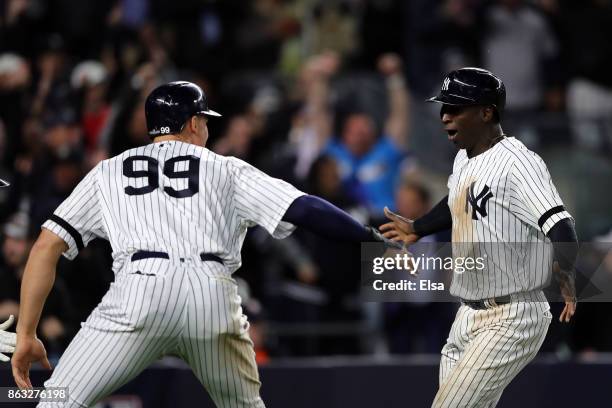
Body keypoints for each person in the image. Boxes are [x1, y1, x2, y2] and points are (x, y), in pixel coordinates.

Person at [9, 80, 399, 407]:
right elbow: (304, 207)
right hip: (209, 294)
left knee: (57, 402)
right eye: (205, 121)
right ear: (193, 123)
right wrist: (366, 235)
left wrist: (26, 333)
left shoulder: (108, 171)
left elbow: (46, 245)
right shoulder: (224, 166)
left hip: (138, 292)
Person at [380, 67, 578, 407]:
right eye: (444, 108)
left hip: (512, 314)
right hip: (467, 315)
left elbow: (562, 227)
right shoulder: (464, 159)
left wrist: (566, 271)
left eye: (456, 108)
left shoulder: (519, 163)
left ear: (487, 112)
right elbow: (457, 201)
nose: (445, 116)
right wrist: (417, 227)